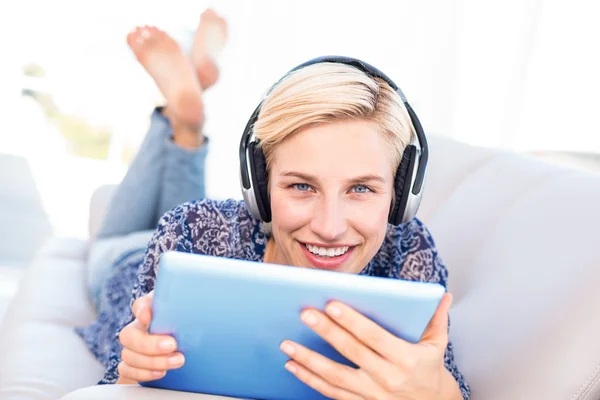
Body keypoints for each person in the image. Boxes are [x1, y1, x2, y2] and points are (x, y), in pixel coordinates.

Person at [78, 12, 470, 400]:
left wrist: (441, 394)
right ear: (260, 185)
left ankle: (186, 120)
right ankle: (183, 121)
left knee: (183, 178)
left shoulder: (407, 248)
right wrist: (130, 375)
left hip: (195, 233)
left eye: (362, 189)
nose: (330, 227)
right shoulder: (188, 228)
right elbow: (118, 380)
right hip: (124, 259)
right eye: (301, 185)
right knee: (118, 241)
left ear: (401, 194)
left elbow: (445, 380)